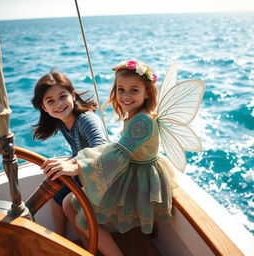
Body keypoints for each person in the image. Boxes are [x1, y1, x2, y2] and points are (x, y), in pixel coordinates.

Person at [41, 60, 202, 256]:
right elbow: (119, 150)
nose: (125, 96)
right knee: (69, 203)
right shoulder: (137, 114)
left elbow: (119, 151)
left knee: (78, 209)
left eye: (134, 90)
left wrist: (78, 166)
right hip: (132, 168)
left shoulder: (142, 120)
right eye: (121, 89)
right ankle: (91, 249)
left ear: (147, 92)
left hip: (137, 178)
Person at [31, 71, 108, 237]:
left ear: (73, 95)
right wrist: (68, 162)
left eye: (62, 96)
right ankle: (60, 239)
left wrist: (72, 164)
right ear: (44, 107)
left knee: (69, 204)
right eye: (50, 101)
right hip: (88, 171)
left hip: (105, 172)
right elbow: (78, 151)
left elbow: (102, 149)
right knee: (54, 187)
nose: (58, 104)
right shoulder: (61, 122)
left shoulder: (86, 119)